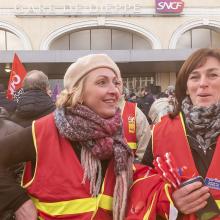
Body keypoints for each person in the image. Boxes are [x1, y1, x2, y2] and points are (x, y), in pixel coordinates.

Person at [0, 54, 133, 220]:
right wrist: (18, 201)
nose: (114, 90)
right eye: (101, 82)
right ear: (79, 91)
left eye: (117, 82)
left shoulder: (117, 136)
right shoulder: (43, 131)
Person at [142, 48, 220, 219]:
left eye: (213, 75)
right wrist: (170, 201)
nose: (203, 83)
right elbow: (143, 186)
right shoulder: (160, 131)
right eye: (194, 77)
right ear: (186, 87)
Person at [118, 84, 151, 161]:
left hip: (130, 169)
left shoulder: (135, 112)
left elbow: (144, 150)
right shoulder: (92, 110)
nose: (111, 87)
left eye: (116, 83)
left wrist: (138, 166)